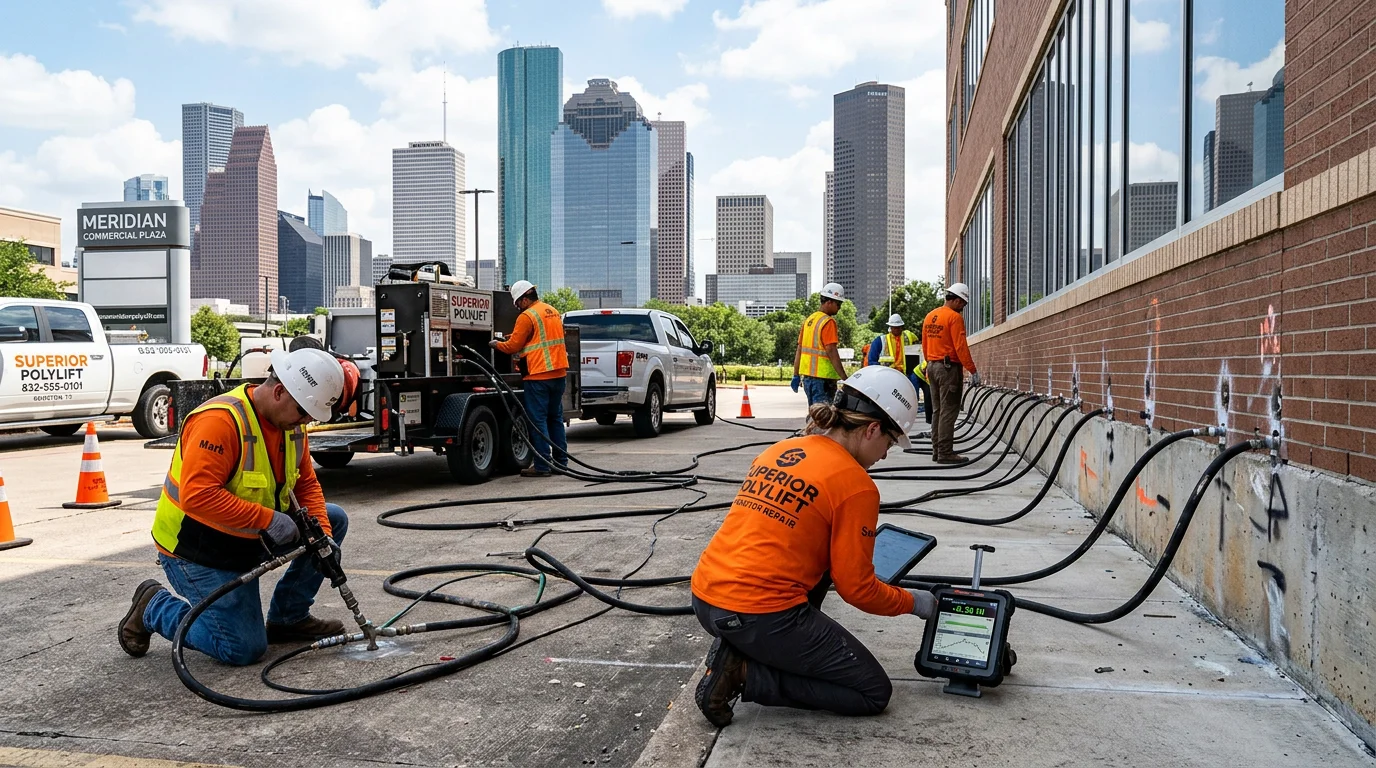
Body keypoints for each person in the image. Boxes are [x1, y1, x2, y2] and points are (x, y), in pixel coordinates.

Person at [691, 366, 936, 726]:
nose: (885, 454)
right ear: (871, 429)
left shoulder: (781, 450)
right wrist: (916, 602)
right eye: (889, 442)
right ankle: (742, 671)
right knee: (871, 692)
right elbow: (858, 590)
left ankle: (740, 647)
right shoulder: (857, 485)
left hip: (705, 599)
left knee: (819, 567)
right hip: (758, 615)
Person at [118, 347, 349, 666]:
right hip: (198, 550)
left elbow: (306, 484)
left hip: (247, 538)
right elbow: (197, 496)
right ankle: (153, 606)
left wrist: (323, 536)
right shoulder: (220, 421)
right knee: (242, 648)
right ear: (280, 391)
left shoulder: (291, 425)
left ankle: (288, 619)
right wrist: (269, 519)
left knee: (333, 519)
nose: (306, 420)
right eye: (303, 411)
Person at [491, 280, 569, 477]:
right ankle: (561, 463)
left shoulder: (527, 316)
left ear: (525, 299)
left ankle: (542, 466)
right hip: (558, 374)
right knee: (555, 419)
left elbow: (512, 347)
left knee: (538, 421)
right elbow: (544, 338)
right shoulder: (552, 311)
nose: (517, 307)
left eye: (517, 303)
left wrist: (496, 344)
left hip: (538, 376)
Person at [921, 283, 980, 464]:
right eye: (963, 303)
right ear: (955, 300)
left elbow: (925, 344)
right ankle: (945, 453)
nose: (963, 308)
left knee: (938, 410)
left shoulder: (931, 316)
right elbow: (960, 346)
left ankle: (937, 451)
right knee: (949, 411)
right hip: (948, 369)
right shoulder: (954, 318)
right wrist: (972, 369)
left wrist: (929, 363)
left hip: (932, 365)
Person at [866, 313, 932, 425]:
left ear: (902, 327)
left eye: (899, 327)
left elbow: (919, 346)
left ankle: (908, 417)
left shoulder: (907, 337)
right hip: (888, 376)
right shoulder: (881, 341)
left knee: (910, 398)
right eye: (894, 327)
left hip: (906, 374)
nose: (897, 329)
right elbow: (872, 360)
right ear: (890, 327)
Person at [791, 283, 848, 406]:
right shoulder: (828, 322)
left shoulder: (809, 320)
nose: (839, 307)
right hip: (823, 380)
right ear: (829, 302)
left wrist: (796, 374)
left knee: (815, 415)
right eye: (838, 304)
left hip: (808, 379)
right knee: (824, 417)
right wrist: (845, 377)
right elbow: (831, 351)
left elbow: (799, 349)